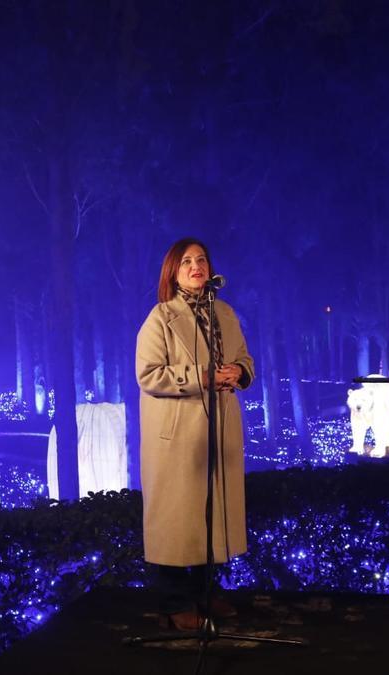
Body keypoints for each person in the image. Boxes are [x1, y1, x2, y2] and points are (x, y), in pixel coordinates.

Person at [136, 238, 255, 631]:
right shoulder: (160, 317)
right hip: (177, 432)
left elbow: (244, 358)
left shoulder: (224, 312)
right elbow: (149, 375)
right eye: (186, 261)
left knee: (210, 512)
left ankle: (205, 592)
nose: (196, 266)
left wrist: (239, 371)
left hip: (218, 428)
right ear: (173, 271)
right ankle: (174, 601)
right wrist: (201, 376)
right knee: (174, 518)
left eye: (201, 259)